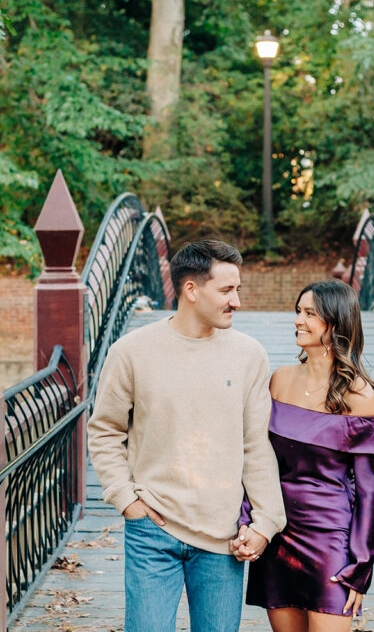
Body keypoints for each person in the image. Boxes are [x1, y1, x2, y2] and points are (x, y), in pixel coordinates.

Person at [87, 240, 286, 632]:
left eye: (238, 290)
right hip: (151, 530)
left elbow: (256, 445)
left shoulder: (249, 355)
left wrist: (265, 521)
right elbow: (105, 430)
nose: (237, 302)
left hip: (223, 538)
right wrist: (126, 500)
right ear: (191, 290)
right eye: (227, 291)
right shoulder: (131, 352)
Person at [233, 279, 374, 632]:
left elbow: (368, 491)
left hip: (330, 535)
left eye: (310, 313)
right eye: (298, 312)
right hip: (278, 529)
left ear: (336, 322)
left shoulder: (358, 395)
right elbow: (257, 457)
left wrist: (361, 567)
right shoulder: (279, 380)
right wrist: (248, 519)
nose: (298, 320)